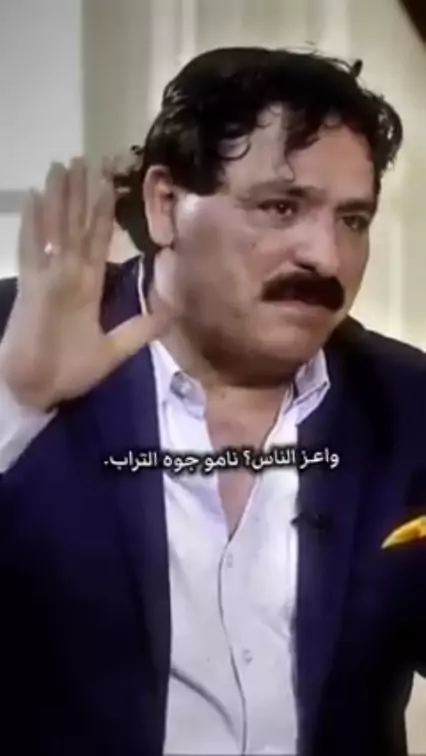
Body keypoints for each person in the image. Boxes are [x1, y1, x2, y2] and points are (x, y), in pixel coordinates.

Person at [0, 46, 425, 756]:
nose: (326, 257)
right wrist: (16, 404)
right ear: (166, 204)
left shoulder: (408, 403)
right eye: (281, 207)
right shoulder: (18, 344)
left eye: (353, 220)